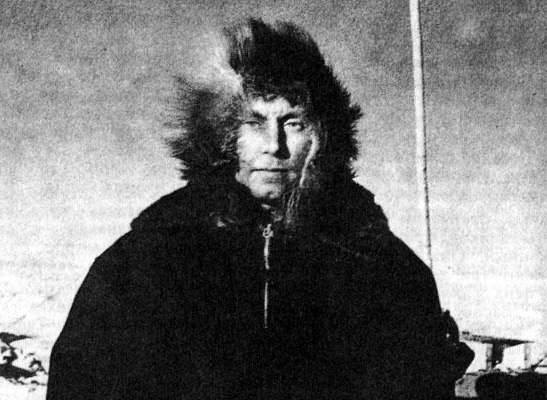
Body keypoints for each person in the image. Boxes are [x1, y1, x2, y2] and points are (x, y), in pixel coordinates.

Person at [47, 18, 472, 400]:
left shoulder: (387, 271)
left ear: (325, 137)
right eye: (254, 122)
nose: (274, 145)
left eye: (294, 123)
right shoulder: (143, 262)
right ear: (223, 137)